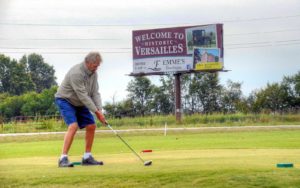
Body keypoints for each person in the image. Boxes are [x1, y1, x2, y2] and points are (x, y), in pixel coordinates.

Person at [55, 52, 107, 167]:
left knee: (91, 126)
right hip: (65, 99)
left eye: (98, 65)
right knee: (73, 126)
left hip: (80, 102)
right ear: (87, 62)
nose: (96, 68)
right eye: (95, 65)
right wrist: (96, 112)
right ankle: (63, 158)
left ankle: (87, 157)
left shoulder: (94, 74)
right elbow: (83, 95)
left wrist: (100, 110)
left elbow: (95, 93)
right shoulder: (76, 73)